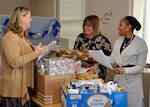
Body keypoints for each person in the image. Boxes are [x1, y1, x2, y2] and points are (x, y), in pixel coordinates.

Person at [1, 7, 50, 107]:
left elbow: (26, 53)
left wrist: (40, 51)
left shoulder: (22, 36)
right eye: (29, 16)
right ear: (21, 18)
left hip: (23, 85)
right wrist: (35, 53)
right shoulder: (10, 36)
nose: (31, 19)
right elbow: (14, 62)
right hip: (14, 88)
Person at [107, 16, 148, 107]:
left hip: (133, 82)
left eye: (120, 25)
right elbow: (113, 59)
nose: (118, 27)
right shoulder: (118, 41)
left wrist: (125, 70)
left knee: (132, 103)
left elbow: (141, 67)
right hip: (118, 79)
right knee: (117, 103)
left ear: (128, 27)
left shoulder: (141, 43)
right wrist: (98, 57)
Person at [74, 15, 112, 80]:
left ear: (95, 27)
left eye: (89, 26)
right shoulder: (80, 37)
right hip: (79, 72)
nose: (85, 27)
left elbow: (107, 60)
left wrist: (94, 58)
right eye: (85, 25)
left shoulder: (104, 41)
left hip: (96, 74)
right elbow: (75, 52)